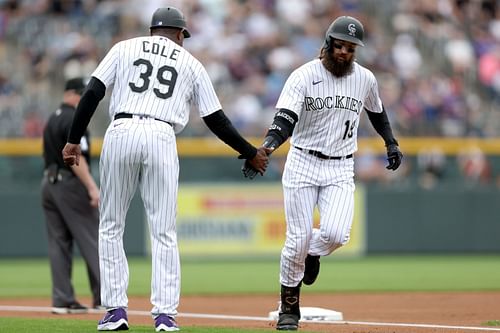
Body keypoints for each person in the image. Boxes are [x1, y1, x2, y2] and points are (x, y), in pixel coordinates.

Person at [62, 6, 269, 332]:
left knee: (111, 225)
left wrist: (74, 139)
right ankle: (164, 316)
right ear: (178, 34)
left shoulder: (124, 47)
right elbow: (216, 119)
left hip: (122, 131)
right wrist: (250, 152)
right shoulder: (190, 63)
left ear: (152, 31)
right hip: (161, 135)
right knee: (164, 231)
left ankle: (115, 311)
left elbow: (92, 92)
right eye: (183, 36)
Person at [242, 16, 403, 330]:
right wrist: (267, 147)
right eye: (340, 45)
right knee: (296, 239)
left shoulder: (365, 78)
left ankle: (311, 253)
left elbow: (377, 111)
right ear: (328, 43)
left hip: (341, 165)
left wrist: (391, 142)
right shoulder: (304, 76)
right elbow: (285, 118)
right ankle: (289, 309)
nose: (344, 51)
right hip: (303, 162)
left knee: (336, 234)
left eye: (351, 47)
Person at [41, 77, 101, 314]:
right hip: (70, 184)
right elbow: (76, 159)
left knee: (59, 243)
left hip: (48, 183)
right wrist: (91, 187)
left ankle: (62, 300)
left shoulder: (53, 117)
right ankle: (105, 298)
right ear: (77, 94)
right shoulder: (74, 118)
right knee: (92, 239)